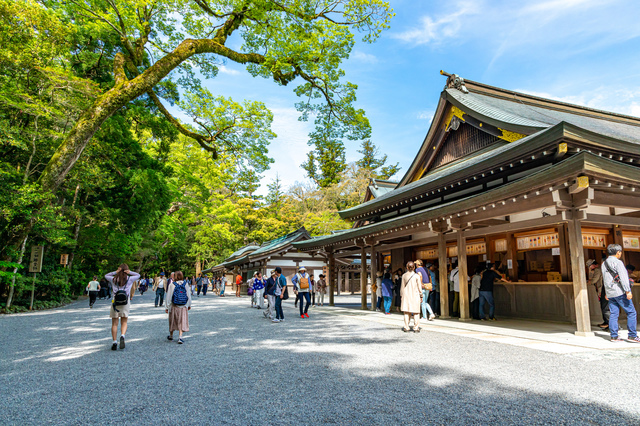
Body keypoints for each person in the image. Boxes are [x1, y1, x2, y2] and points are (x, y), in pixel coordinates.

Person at [602, 244, 639, 343]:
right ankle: (632, 335)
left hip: (610, 293)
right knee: (631, 312)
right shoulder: (618, 263)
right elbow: (623, 278)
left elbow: (605, 280)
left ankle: (614, 336)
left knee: (613, 314)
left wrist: (606, 292)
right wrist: (628, 291)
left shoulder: (604, 264)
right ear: (618, 252)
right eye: (620, 252)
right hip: (620, 292)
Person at [105, 264, 140, 350]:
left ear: (119, 270)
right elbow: (138, 275)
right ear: (126, 270)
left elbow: (106, 275)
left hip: (115, 302)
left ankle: (114, 341)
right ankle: (122, 336)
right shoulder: (130, 279)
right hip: (125, 301)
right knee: (124, 321)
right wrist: (130, 272)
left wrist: (115, 272)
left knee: (114, 323)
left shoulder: (113, 279)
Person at [165, 271, 192, 344]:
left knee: (173, 320)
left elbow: (169, 296)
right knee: (181, 321)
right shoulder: (185, 284)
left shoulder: (172, 285)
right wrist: (189, 305)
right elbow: (188, 295)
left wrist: (167, 307)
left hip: (174, 305)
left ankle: (171, 335)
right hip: (183, 306)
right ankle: (180, 337)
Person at [587, 259, 609, 330]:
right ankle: (607, 322)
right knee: (605, 307)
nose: (589, 268)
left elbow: (595, 280)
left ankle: (607, 323)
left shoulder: (597, 270)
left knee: (604, 307)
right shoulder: (600, 269)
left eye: (589, 266)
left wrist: (589, 281)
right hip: (604, 290)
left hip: (602, 289)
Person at [401, 261, 422, 332]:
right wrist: (421, 295)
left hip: (406, 295)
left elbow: (402, 287)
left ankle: (406, 327)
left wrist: (401, 295)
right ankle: (416, 327)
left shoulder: (404, 276)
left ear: (407, 267)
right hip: (415, 295)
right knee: (416, 312)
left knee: (406, 312)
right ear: (414, 267)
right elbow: (419, 287)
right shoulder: (417, 276)